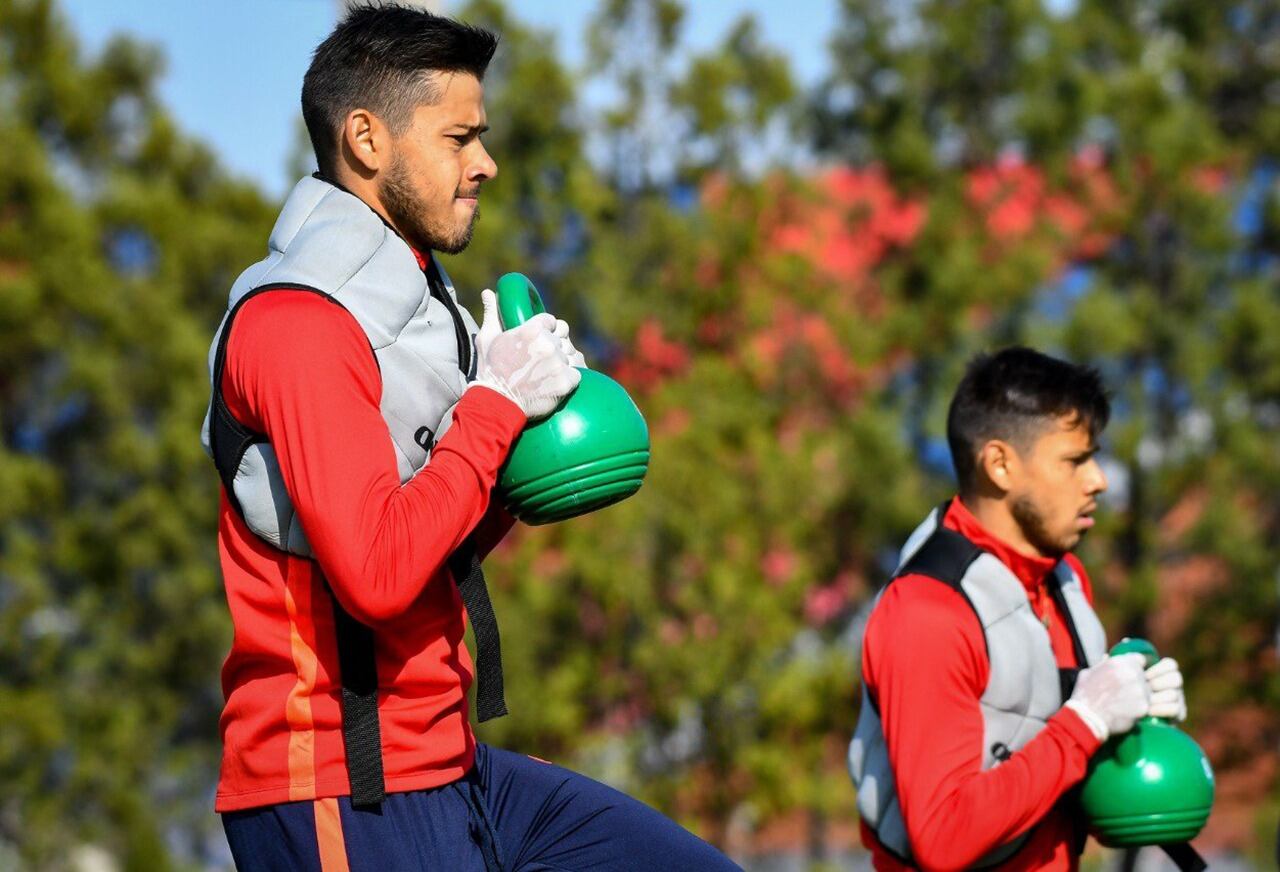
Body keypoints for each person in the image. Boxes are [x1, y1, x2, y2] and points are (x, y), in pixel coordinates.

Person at [199, 6, 739, 871]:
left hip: (448, 759)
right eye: (459, 138)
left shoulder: (414, 299)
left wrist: (523, 450)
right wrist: (493, 407)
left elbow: (437, 545)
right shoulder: (300, 323)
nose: (484, 162)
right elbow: (378, 575)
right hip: (342, 786)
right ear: (366, 140)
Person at [848, 347, 1188, 871]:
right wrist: (1088, 721)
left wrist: (1135, 726)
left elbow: (1056, 778)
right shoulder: (928, 612)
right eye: (1075, 460)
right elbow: (942, 839)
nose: (1099, 480)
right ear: (1000, 465)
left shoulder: (1064, 580)